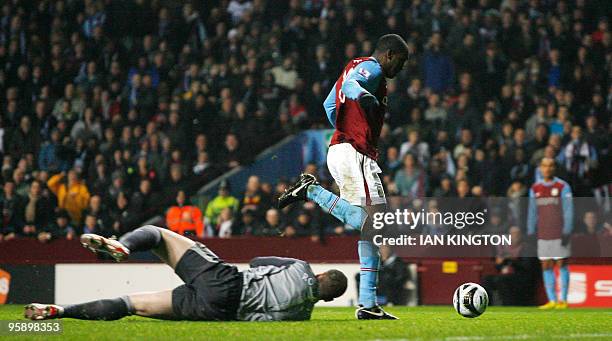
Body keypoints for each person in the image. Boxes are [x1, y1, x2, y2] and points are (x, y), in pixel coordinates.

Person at [278, 34, 409, 320]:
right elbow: (353, 86)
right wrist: (363, 101)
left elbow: (328, 105)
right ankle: (312, 191)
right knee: (377, 227)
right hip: (355, 151)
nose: (401, 68)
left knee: (372, 230)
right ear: (389, 54)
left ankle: (368, 304)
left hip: (344, 148)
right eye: (401, 61)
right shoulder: (372, 68)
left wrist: (344, 129)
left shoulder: (352, 66)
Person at [24, 225, 347, 322]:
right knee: (130, 304)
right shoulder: (301, 316)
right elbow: (263, 321)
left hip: (223, 280)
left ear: (320, 276)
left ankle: (123, 247)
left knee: (156, 234)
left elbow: (259, 258)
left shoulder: (300, 266)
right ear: (327, 298)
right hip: (218, 312)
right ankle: (60, 312)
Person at [527, 158, 574, 309]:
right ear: (540, 168)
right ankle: (552, 300)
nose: (547, 169)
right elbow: (532, 212)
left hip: (559, 232)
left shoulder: (562, 186)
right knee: (546, 265)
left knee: (561, 264)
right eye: (545, 166)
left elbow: (568, 210)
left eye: (550, 166)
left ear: (554, 168)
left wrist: (567, 230)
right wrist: (530, 231)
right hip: (543, 233)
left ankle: (564, 300)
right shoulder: (535, 188)